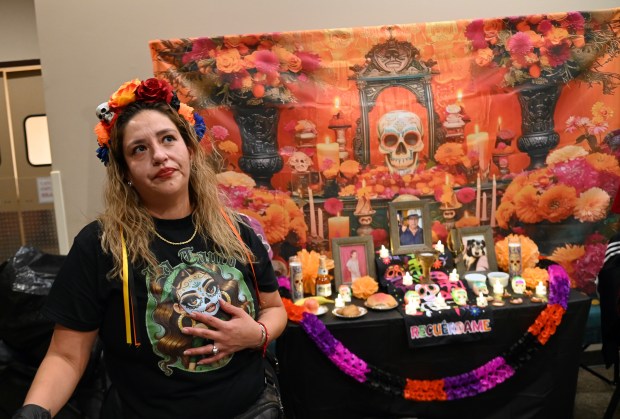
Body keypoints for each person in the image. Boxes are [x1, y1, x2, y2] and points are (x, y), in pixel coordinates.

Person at [14, 78, 287, 418]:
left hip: (250, 410)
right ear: (125, 171)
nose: (159, 155)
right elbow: (66, 356)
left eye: (168, 139)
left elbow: (275, 308)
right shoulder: (100, 245)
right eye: (139, 149)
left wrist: (256, 334)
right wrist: (33, 411)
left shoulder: (238, 231)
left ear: (188, 149)